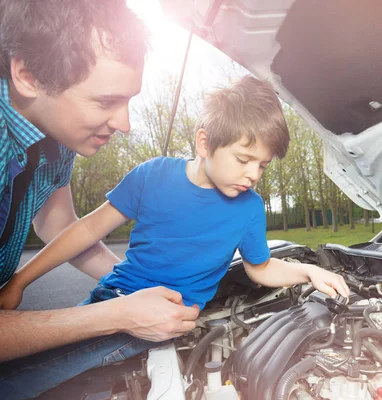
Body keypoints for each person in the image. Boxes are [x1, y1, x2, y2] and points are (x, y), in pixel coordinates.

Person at [0, 75, 350, 398]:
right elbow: (86, 229)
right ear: (204, 142)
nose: (253, 174)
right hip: (115, 302)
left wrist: (309, 272)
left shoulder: (249, 208)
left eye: (262, 165)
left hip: (163, 325)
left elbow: (260, 267)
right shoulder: (151, 176)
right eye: (244, 159)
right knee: (20, 378)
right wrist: (20, 281)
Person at [0, 0, 200, 365]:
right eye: (106, 101)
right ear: (27, 76)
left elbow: (57, 224)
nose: (124, 124)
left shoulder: (58, 137)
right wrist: (117, 313)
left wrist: (136, 285)